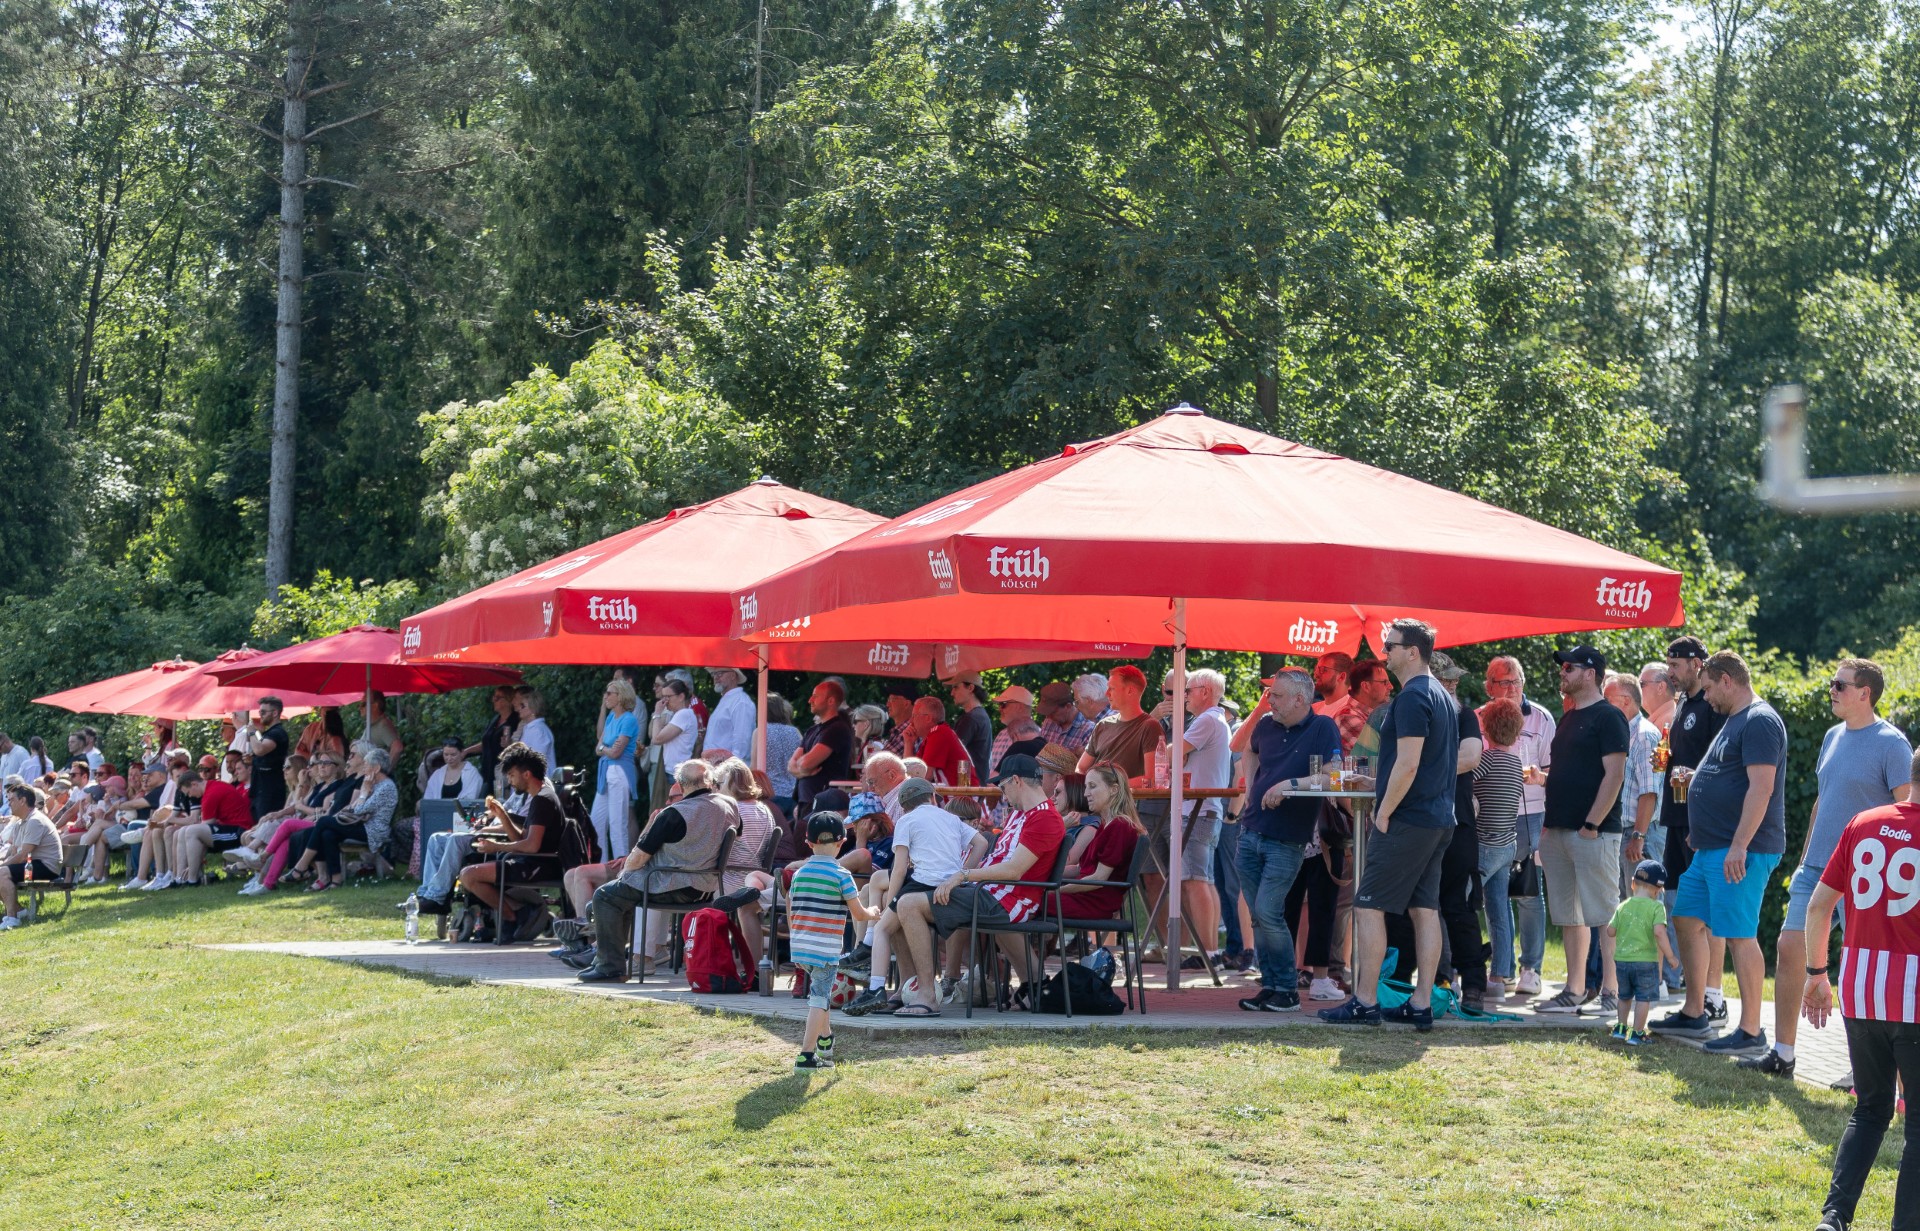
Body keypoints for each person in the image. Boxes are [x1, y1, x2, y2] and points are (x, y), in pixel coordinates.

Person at [1745, 657, 1912, 1079]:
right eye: (1832, 684)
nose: (1832, 691)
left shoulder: (1893, 744)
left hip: (1868, 874)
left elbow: (1907, 811)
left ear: (1865, 693)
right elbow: (1823, 799)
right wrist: (1805, 858)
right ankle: (1783, 1054)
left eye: (1840, 685)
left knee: (1861, 969)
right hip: (1818, 867)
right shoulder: (1832, 736)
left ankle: (1867, 1071)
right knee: (1789, 946)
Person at [1320, 619, 1457, 1031]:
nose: (1384, 653)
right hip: (1436, 818)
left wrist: (1383, 811)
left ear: (1412, 651)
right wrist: (1376, 783)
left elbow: (1410, 763)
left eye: (1390, 646)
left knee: (1367, 905)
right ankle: (1421, 1004)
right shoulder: (1440, 694)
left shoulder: (1413, 697)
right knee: (1425, 909)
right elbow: (1424, 763)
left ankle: (1364, 1002)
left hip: (1408, 818)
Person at [1802, 750, 1920, 1231]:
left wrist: (1816, 972)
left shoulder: (1863, 822)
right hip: (1914, 996)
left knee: (1870, 1108)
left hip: (1861, 988)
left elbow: (1818, 907)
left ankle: (1834, 1218)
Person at [1654, 650, 1789, 1053]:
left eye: (1710, 687)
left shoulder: (1760, 720)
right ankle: (1695, 1013)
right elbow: (1725, 776)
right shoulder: (1735, 719)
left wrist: (1739, 845)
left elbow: (1761, 788)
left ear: (1727, 681)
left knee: (1738, 936)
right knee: (1685, 919)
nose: (1707, 696)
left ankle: (1751, 1032)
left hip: (1741, 849)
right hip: (1711, 847)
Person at [888, 753, 1065, 1017]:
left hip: (1005, 900)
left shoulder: (1044, 818)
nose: (1002, 794)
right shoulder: (1021, 813)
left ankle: (926, 996)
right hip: (990, 892)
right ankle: (908, 988)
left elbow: (1014, 871)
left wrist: (963, 875)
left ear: (1016, 781)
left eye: (1003, 786)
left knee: (908, 904)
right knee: (898, 903)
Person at [1236, 668, 1343, 1012]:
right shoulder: (1266, 725)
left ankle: (1286, 989)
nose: (1270, 701)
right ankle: (1271, 986)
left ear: (1299, 699)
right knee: (1259, 915)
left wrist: (1290, 786)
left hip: (1287, 839)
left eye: (1277, 695)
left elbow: (1333, 777)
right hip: (1251, 831)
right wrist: (1251, 786)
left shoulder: (1322, 727)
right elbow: (1248, 751)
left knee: (1268, 912)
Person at [1531, 646, 1629, 1014]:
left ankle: (1612, 992)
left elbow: (1614, 775)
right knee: (1569, 916)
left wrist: (1592, 823)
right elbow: (1570, 773)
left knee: (1604, 914)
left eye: (1570, 667)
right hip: (1558, 832)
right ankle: (1574, 990)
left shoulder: (1609, 717)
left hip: (1594, 833)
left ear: (1590, 673)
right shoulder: (1569, 717)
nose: (1563, 672)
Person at [579, 758, 739, 982]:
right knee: (619, 894)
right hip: (707, 887)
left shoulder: (673, 814)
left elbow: (637, 859)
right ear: (710, 781)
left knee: (605, 895)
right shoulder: (730, 806)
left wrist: (625, 875)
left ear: (680, 784)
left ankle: (609, 966)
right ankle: (609, 961)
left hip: (671, 886)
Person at [1657, 634, 1729, 1013]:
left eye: (1675, 665)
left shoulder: (1714, 705)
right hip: (1676, 816)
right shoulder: (1684, 702)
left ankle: (1714, 996)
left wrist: (1692, 773)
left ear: (1696, 664)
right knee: (1683, 909)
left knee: (1710, 913)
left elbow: (1720, 763)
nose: (1669, 672)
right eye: (1668, 664)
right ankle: (1695, 997)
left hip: (1700, 821)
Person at [1480, 654, 1558, 997]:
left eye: (1515, 682)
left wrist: (1540, 777)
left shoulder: (1541, 717)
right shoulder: (1479, 717)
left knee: (1528, 891)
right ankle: (1503, 970)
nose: (1511, 688)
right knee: (1494, 895)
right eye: (1503, 682)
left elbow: (1555, 768)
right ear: (1489, 686)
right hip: (1489, 814)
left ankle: (1531, 968)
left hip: (1531, 812)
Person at [788, 811, 882, 1069]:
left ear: (808, 843)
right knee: (819, 999)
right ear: (842, 842)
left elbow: (792, 908)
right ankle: (806, 1056)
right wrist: (873, 912)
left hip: (801, 947)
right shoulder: (842, 875)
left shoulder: (799, 874)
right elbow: (858, 914)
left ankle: (826, 1040)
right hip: (825, 948)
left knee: (821, 992)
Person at [1154, 667, 1231, 971]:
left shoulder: (1207, 719)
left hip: (1197, 810)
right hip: (1204, 809)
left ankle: (1208, 953)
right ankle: (1210, 951)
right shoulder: (1215, 719)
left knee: (1195, 881)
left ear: (1205, 692)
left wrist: (1161, 751)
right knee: (1203, 880)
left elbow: (1174, 752)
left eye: (1188, 690)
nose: (1183, 696)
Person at [454, 741, 567, 933]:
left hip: (538, 866)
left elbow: (531, 846)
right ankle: (517, 912)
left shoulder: (542, 801)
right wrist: (502, 814)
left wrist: (496, 847)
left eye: (512, 775)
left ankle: (513, 915)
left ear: (526, 774)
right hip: (530, 862)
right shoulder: (539, 797)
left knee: (468, 875)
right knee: (470, 872)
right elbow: (520, 837)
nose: (509, 780)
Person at [1427, 652, 1488, 1009]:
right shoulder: (1407, 712)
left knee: (1458, 906)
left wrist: (1419, 768)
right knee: (1412, 907)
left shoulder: (1464, 716)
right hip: (1417, 822)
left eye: (1454, 679)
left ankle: (1474, 985)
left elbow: (1470, 758)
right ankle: (1413, 983)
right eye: (1445, 678)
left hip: (1457, 822)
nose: (1453, 684)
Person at [1472, 698, 1526, 1001]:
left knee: (1462, 906)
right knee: (1499, 913)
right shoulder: (1516, 763)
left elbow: (1463, 785)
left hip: (1483, 845)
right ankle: (1500, 977)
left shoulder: (1485, 760)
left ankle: (1458, 972)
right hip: (1507, 845)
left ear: (1486, 727)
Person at [298, 747, 400, 892]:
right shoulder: (374, 784)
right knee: (327, 834)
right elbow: (355, 808)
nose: (364, 768)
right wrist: (363, 793)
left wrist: (363, 793)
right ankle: (335, 879)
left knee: (323, 822)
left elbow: (358, 810)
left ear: (376, 768)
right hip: (361, 825)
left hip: (372, 832)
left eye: (366, 765)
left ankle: (301, 866)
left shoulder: (386, 787)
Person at [1608, 860, 1679, 1044]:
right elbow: (1659, 933)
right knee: (1643, 998)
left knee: (1624, 996)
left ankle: (1620, 1028)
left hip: (1622, 961)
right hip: (1645, 962)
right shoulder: (1657, 907)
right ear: (1657, 891)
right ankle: (1637, 1033)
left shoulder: (1623, 906)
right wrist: (1670, 956)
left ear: (1633, 883)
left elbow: (1610, 931)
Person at [0, 783, 62, 929]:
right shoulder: (20, 823)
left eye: (11, 800)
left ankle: (12, 919)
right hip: (32, 864)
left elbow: (23, 855)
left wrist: (2, 866)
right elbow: (13, 852)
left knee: (2, 873)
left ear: (22, 801)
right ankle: (19, 911)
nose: (9, 804)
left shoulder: (35, 821)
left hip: (47, 866)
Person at [592, 677, 641, 863]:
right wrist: (606, 749)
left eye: (609, 693)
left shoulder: (629, 720)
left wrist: (604, 748)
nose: (605, 696)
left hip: (620, 772)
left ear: (620, 696)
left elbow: (614, 752)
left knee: (617, 824)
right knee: (596, 822)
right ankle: (602, 866)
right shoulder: (611, 717)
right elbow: (600, 749)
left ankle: (621, 870)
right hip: (606, 772)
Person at [789, 679, 855, 813]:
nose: (810, 700)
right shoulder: (812, 730)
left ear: (831, 701)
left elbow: (805, 763)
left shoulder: (837, 729)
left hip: (824, 802)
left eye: (815, 696)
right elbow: (791, 766)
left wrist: (802, 768)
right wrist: (804, 771)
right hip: (806, 799)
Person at [1326, 658, 1392, 755]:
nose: (1391, 687)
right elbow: (1385, 753)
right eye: (1384, 682)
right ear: (1366, 686)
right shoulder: (1347, 716)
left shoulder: (1369, 715)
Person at [906, 696, 973, 786]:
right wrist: (908, 743)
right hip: (961, 791)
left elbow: (924, 777)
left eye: (914, 716)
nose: (910, 721)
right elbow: (910, 771)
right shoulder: (934, 735)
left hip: (965, 793)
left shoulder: (939, 732)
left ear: (928, 718)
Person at [470, 685, 521, 795]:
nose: (493, 700)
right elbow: (486, 742)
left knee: (499, 800)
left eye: (497, 698)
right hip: (488, 772)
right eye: (494, 697)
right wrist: (466, 751)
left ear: (508, 701)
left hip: (502, 773)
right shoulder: (495, 719)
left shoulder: (516, 721)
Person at [650, 678, 701, 781]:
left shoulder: (683, 714)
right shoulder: (681, 714)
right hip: (678, 771)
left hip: (678, 773)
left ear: (681, 696)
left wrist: (657, 713)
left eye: (668, 697)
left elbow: (656, 739)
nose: (664, 701)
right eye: (663, 697)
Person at [703, 667, 756, 763]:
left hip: (728, 767)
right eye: (714, 674)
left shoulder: (740, 702)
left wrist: (733, 766)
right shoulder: (728, 700)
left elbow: (742, 741)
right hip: (717, 766)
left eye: (720, 673)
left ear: (733, 675)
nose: (716, 677)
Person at [947, 672, 994, 777]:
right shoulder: (981, 715)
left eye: (956, 687)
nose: (952, 693)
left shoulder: (971, 718)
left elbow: (951, 753)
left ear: (970, 688)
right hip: (975, 782)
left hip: (969, 783)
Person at [987, 686, 1040, 777]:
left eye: (1003, 704)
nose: (1000, 709)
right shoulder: (1001, 734)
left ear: (1019, 707)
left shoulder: (1036, 736)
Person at [763, 693, 803, 813]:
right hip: (793, 794)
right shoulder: (795, 732)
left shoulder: (761, 732)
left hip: (770, 794)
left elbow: (756, 767)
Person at [514, 686, 559, 783]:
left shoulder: (539, 730)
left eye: (523, 706)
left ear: (533, 709)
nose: (518, 709)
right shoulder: (530, 728)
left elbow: (536, 762)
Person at [1036, 680, 1095, 752]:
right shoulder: (1049, 721)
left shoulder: (1088, 730)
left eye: (1053, 712)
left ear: (1068, 706)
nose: (1048, 716)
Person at [880, 682, 918, 756]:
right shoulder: (899, 731)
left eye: (892, 700)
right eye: (888, 700)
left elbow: (883, 760)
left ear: (906, 704)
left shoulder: (909, 732)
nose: (887, 704)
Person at [1639, 662, 1676, 733]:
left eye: (1641, 684)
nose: (1638, 689)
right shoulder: (1663, 719)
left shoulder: (1667, 722)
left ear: (1660, 687)